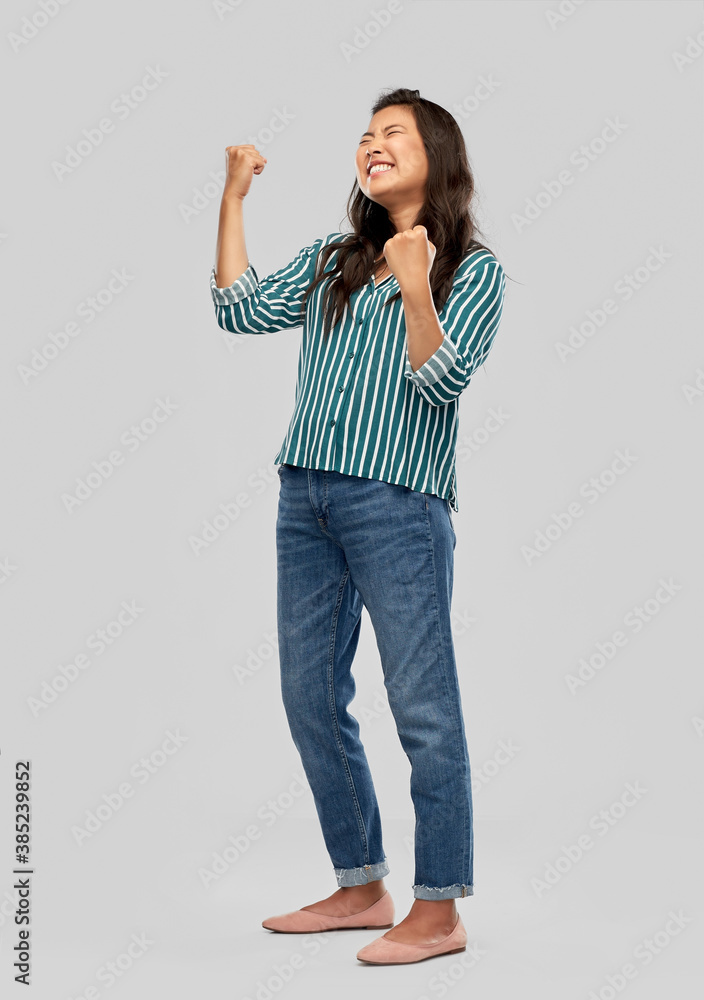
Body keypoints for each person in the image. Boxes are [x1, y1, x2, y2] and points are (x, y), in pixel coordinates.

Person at [210, 87, 506, 965]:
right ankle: (361, 884)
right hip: (305, 499)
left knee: (424, 709)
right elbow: (236, 308)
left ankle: (441, 907)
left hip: (398, 506)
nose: (373, 145)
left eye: (395, 135)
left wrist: (418, 288)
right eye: (366, 135)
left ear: (437, 157)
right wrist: (232, 198)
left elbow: (440, 383)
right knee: (309, 697)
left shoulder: (474, 270)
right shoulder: (338, 258)